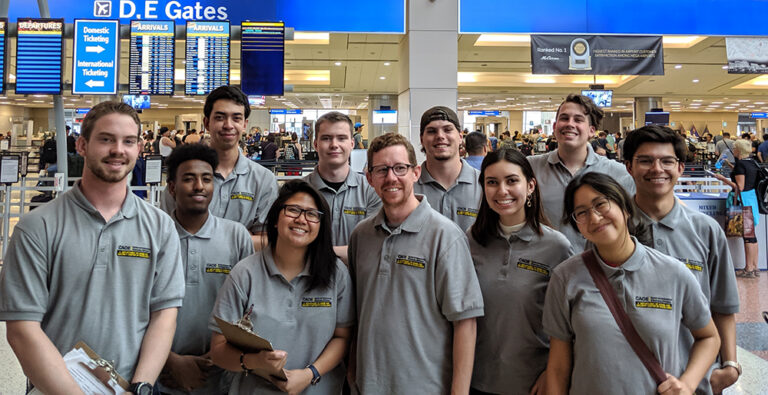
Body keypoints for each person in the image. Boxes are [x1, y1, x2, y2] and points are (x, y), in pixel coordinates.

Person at [0, 101, 185, 395]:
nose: (118, 150)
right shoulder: (37, 227)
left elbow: (164, 314)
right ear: (83, 145)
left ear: (139, 149)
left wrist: (140, 386)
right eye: (106, 139)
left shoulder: (160, 228)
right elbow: (23, 329)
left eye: (128, 141)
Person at [543, 172, 720, 394]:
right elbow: (559, 367)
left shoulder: (673, 273)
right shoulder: (566, 277)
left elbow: (709, 337)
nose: (595, 218)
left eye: (601, 204)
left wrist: (687, 384)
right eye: (582, 213)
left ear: (625, 209)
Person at [348, 133, 484, 394]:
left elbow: (465, 323)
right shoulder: (361, 236)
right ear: (369, 178)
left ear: (415, 172)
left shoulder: (445, 236)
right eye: (381, 170)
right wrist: (354, 372)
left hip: (426, 385)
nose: (391, 178)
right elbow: (359, 312)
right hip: (369, 384)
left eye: (400, 168)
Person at [623, 125, 740, 394]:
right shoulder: (612, 228)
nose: (657, 169)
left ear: (681, 169)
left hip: (693, 380)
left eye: (667, 161)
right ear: (629, 167)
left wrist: (730, 366)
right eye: (645, 161)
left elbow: (722, 305)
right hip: (625, 379)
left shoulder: (706, 230)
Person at [209, 180, 354, 395]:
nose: (301, 219)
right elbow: (218, 349)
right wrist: (254, 361)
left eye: (312, 214)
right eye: (293, 210)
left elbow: (343, 337)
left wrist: (309, 374)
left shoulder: (336, 274)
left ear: (321, 225)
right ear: (276, 218)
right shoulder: (245, 273)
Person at [468, 148, 573, 395]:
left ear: (531, 186)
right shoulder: (470, 241)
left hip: (534, 383)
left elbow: (572, 323)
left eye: (512, 180)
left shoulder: (556, 247)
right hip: (477, 380)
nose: (502, 191)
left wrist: (552, 373)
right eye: (492, 182)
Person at [158, 144, 255, 395]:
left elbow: (250, 308)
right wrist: (169, 360)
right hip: (161, 375)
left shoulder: (236, 236)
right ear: (172, 187)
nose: (199, 186)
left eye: (206, 179)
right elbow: (136, 308)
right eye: (188, 179)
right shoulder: (155, 237)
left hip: (221, 378)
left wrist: (217, 357)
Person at [160, 85, 279, 249]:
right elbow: (166, 236)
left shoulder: (264, 180)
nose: (228, 125)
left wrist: (200, 238)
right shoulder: (183, 175)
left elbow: (267, 242)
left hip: (242, 273)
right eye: (220, 117)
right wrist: (244, 237)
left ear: (244, 125)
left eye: (236, 118)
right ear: (207, 123)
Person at [527, 94, 635, 250]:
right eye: (564, 118)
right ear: (555, 127)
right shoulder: (530, 168)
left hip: (600, 269)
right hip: (545, 268)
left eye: (578, 120)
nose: (570, 124)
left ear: (592, 131)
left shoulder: (619, 174)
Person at [303, 111, 381, 263]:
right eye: (326, 138)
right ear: (315, 144)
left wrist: (314, 253)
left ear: (352, 144)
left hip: (358, 283)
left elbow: (371, 246)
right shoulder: (298, 191)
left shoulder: (371, 190)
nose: (334, 145)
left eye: (341, 138)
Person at [414, 106, 483, 231]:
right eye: (431, 131)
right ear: (421, 139)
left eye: (447, 130)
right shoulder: (409, 186)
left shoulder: (483, 184)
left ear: (460, 137)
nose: (440, 136)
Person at [715, 139, 762, 279]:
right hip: (751, 200)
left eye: (734, 148)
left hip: (743, 202)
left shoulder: (741, 164)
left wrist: (722, 179)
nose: (732, 150)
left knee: (748, 237)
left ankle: (748, 269)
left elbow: (739, 187)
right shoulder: (752, 162)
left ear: (738, 150)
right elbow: (745, 177)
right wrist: (730, 166)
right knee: (752, 236)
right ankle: (754, 266)